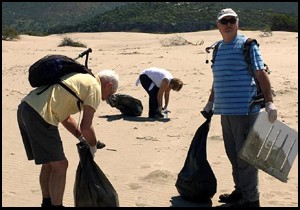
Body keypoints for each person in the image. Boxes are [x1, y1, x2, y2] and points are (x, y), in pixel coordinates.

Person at [203, 8, 277, 207]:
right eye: (224, 21)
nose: (228, 24)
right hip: (225, 111)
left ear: (237, 23)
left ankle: (251, 199)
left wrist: (269, 102)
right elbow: (218, 79)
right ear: (218, 25)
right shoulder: (218, 48)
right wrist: (211, 102)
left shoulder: (247, 45)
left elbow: (260, 74)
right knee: (233, 155)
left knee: (246, 159)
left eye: (231, 20)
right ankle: (240, 191)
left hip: (245, 110)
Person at [17, 69, 119, 207]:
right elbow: (86, 126)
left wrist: (82, 138)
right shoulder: (95, 88)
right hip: (40, 116)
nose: (107, 99)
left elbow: (65, 117)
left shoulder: (81, 79)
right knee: (60, 164)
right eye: (110, 94)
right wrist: (93, 145)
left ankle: (47, 203)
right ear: (109, 86)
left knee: (49, 163)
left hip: (25, 109)